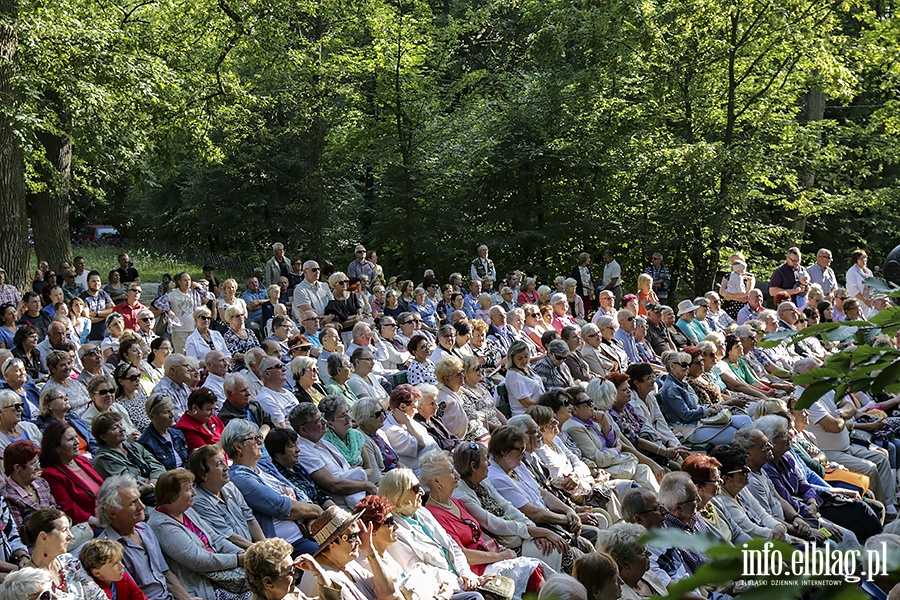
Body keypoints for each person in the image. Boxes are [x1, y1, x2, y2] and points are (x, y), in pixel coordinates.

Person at [419, 450, 551, 598]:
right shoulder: (434, 514)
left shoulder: (454, 502)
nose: (457, 475)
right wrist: (500, 557)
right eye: (451, 472)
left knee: (537, 568)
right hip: (476, 570)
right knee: (531, 570)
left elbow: (478, 531)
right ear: (437, 481)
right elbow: (460, 554)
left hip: (491, 556)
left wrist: (501, 549)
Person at [146, 469, 250, 600]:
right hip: (207, 586)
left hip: (226, 573)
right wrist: (238, 560)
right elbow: (198, 560)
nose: (194, 493)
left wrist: (242, 554)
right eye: (189, 489)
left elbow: (216, 539)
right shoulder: (160, 525)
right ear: (172, 495)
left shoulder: (187, 510)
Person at [222, 420, 321, 556]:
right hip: (288, 545)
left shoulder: (265, 466)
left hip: (307, 530)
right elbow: (281, 507)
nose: (260, 442)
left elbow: (300, 493)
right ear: (238, 446)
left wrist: (310, 517)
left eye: (259, 437)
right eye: (254, 438)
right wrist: (317, 511)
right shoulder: (239, 478)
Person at [565, 383, 660, 491]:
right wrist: (617, 450)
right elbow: (598, 459)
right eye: (587, 403)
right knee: (646, 473)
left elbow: (613, 442)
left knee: (644, 469)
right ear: (575, 409)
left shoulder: (593, 419)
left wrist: (605, 424)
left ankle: (660, 504)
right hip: (606, 470)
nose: (592, 405)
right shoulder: (574, 428)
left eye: (591, 401)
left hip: (617, 463)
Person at [289, 403, 376, 509]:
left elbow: (347, 470)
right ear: (304, 430)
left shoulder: (323, 442)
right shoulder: (303, 451)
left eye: (322, 417)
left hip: (360, 498)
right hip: (343, 506)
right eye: (318, 420)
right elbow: (334, 485)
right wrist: (366, 485)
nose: (324, 421)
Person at [190, 445, 266, 550]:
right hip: (236, 557)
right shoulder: (199, 501)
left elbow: (250, 520)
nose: (227, 468)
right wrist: (262, 552)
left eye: (224, 461)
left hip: (253, 549)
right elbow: (229, 537)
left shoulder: (229, 486)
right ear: (203, 474)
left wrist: (266, 546)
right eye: (219, 464)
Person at [20, 509, 106, 600]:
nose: (71, 536)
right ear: (44, 537)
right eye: (64, 530)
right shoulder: (28, 582)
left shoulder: (69, 561)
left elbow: (97, 595)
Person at [92, 412, 164, 504]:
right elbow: (130, 481)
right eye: (115, 428)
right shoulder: (104, 458)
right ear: (103, 437)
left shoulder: (133, 446)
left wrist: (152, 484)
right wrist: (157, 481)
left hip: (154, 491)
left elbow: (158, 465)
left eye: (121, 424)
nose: (122, 429)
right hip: (135, 502)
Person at [243, 538, 341, 600]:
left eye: (295, 570)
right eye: (290, 572)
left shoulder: (289, 594)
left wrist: (318, 572)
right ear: (268, 582)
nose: (296, 575)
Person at [382, 384, 436, 474]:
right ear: (402, 407)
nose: (417, 411)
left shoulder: (408, 419)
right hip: (422, 471)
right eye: (414, 407)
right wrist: (408, 423)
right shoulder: (391, 430)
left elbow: (433, 443)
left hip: (435, 462)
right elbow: (420, 444)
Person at [78, 539, 147, 600]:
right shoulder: (92, 590)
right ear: (97, 573)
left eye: (120, 561)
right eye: (115, 564)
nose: (122, 566)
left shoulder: (124, 578)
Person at [137, 394, 189, 472]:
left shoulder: (177, 434)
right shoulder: (145, 443)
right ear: (152, 416)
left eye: (172, 409)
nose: (172, 415)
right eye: (166, 412)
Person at [321, 395, 368, 471]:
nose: (349, 417)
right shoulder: (325, 444)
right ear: (330, 424)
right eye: (343, 415)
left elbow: (369, 468)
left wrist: (360, 474)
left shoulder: (357, 435)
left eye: (347, 411)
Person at [174, 388, 226, 453]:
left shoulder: (212, 418)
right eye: (208, 410)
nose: (212, 413)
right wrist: (226, 442)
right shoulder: (185, 428)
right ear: (195, 408)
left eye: (213, 409)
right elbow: (205, 454)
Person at [255, 357, 298, 429]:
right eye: (279, 366)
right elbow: (282, 429)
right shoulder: (265, 399)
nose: (284, 369)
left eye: (284, 365)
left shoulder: (287, 392)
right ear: (267, 373)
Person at [505, 341, 545, 416]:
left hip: (537, 409)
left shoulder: (525, 367)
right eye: (519, 358)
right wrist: (546, 406)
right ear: (512, 358)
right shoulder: (514, 376)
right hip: (527, 414)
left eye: (526, 356)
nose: (524, 361)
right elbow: (526, 403)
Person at [0, 389, 41, 458]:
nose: (21, 409)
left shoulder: (31, 427)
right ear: (1, 411)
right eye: (16, 406)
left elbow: (46, 452)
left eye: (21, 405)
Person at [151, 354, 192, 421]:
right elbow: (177, 421)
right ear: (173, 370)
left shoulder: (183, 385)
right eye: (186, 366)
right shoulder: (163, 391)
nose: (189, 369)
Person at [224, 306, 261, 372]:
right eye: (238, 316)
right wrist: (252, 359)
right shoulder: (228, 335)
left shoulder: (249, 332)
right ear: (230, 319)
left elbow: (258, 347)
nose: (241, 317)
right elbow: (236, 355)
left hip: (256, 364)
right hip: (241, 368)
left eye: (242, 315)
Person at [846, 248, 875, 314]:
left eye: (865, 257)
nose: (864, 260)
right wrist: (865, 301)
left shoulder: (868, 271)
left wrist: (871, 298)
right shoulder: (851, 272)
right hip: (857, 302)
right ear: (856, 260)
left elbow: (874, 285)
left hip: (869, 302)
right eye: (861, 258)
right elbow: (853, 290)